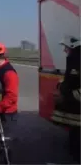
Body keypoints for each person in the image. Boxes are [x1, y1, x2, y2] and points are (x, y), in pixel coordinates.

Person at [51, 35, 81, 164]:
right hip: (76, 113)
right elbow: (71, 80)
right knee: (75, 136)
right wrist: (63, 85)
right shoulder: (74, 60)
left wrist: (67, 94)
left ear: (73, 47)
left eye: (66, 48)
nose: (65, 51)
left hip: (78, 109)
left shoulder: (77, 60)